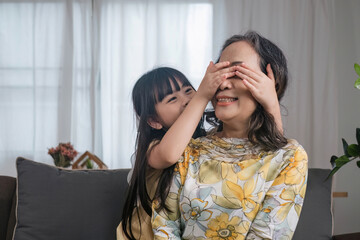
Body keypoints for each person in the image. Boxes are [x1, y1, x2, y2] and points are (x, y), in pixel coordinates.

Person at [151, 31, 308, 240]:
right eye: (219, 73)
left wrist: (271, 102)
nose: (222, 83)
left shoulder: (291, 157)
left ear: (271, 84)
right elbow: (164, 226)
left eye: (237, 72)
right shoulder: (189, 150)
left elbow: (269, 234)